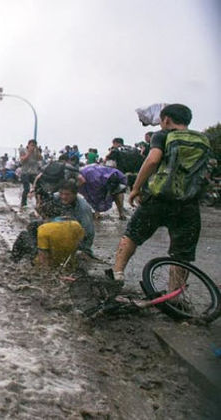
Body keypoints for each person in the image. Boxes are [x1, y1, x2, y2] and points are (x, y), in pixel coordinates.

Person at [112, 104, 211, 289]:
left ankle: (117, 275)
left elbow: (153, 160)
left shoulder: (162, 135)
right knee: (181, 254)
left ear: (165, 119)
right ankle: (174, 297)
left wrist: (136, 188)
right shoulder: (203, 140)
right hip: (189, 204)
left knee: (132, 235)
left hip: (158, 200)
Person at [52, 180, 95, 256]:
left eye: (67, 194)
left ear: (75, 194)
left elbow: (88, 232)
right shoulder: (55, 197)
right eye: (61, 193)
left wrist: (84, 250)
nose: (63, 197)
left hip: (74, 233)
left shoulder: (83, 208)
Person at [19, 139, 42, 207]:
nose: (33, 147)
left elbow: (40, 158)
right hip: (25, 172)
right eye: (31, 145)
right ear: (28, 145)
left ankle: (39, 202)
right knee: (27, 188)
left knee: (38, 187)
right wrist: (29, 153)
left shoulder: (36, 152)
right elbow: (22, 160)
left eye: (34, 146)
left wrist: (37, 151)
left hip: (33, 173)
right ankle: (23, 204)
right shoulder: (23, 151)